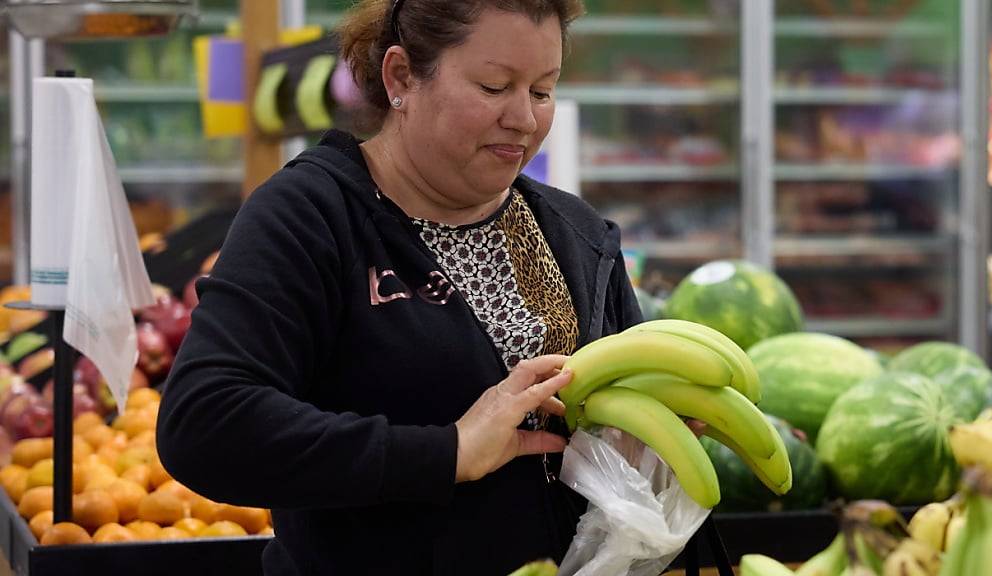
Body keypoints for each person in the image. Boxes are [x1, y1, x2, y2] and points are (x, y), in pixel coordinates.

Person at [156, 0, 642, 574]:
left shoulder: (575, 231)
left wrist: (644, 443)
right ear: (401, 77)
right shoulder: (311, 216)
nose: (524, 119)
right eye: (493, 87)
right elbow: (205, 423)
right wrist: (447, 452)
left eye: (541, 91)